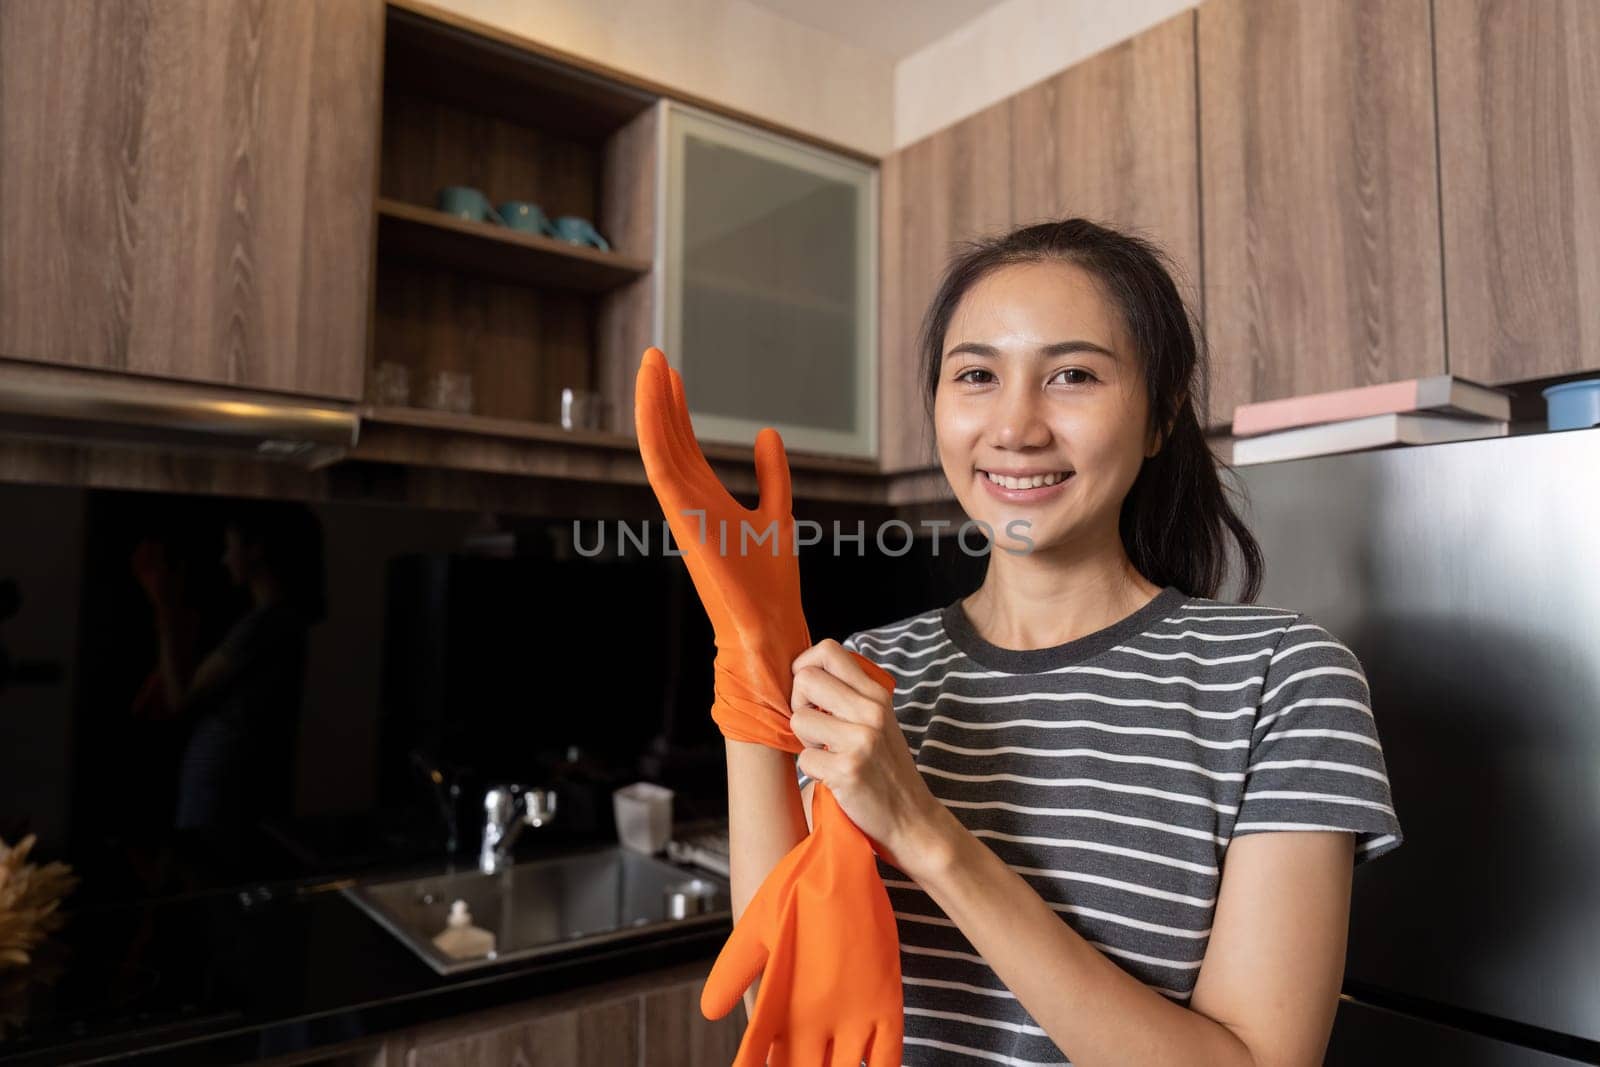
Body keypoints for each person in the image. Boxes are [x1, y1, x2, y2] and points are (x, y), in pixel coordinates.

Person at [728, 219, 1403, 1065]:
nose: (1016, 426)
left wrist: (926, 832)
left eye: (1072, 375)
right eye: (976, 374)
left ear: (1161, 415)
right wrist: (753, 684)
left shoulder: (1281, 678)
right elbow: (781, 1003)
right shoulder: (873, 670)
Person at [133, 500, 325, 830]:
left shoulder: (263, 626)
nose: (224, 559)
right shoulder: (278, 622)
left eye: (229, 547)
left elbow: (180, 699)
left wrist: (164, 609)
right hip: (232, 787)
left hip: (223, 793)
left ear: (255, 551)